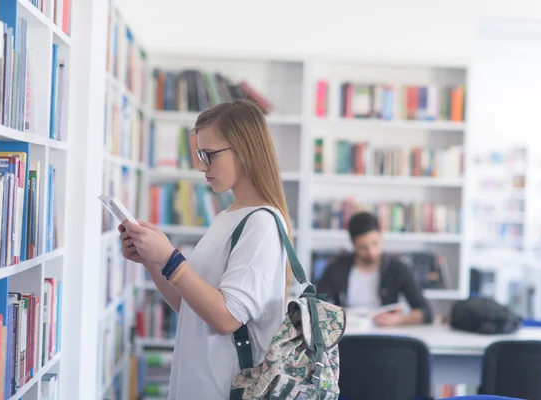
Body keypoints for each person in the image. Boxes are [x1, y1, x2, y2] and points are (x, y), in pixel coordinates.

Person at [118, 99, 293, 400]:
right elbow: (191, 306)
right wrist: (152, 260)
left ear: (245, 150)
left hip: (226, 389)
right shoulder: (229, 217)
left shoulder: (261, 223)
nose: (201, 165)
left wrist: (170, 259)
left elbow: (226, 318)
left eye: (209, 155)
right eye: (200, 154)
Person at [316, 211, 433, 326]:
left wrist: (399, 320)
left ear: (381, 236)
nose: (371, 252)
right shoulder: (335, 268)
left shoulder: (397, 269)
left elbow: (426, 312)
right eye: (363, 247)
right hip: (346, 335)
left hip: (384, 335)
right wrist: (336, 314)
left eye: (375, 243)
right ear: (353, 244)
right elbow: (318, 306)